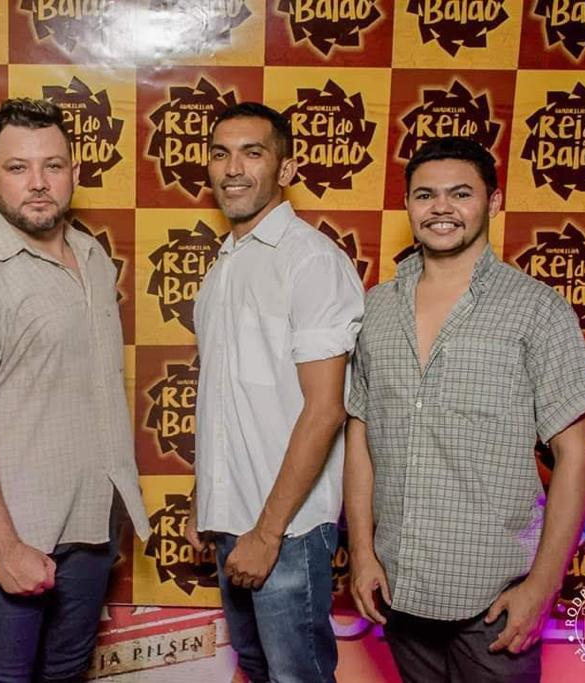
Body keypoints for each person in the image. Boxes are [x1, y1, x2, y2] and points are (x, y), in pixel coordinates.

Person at [344, 136, 585, 682]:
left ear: (493, 202)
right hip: (399, 589)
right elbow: (361, 439)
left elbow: (578, 456)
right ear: (408, 205)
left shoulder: (537, 310)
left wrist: (543, 586)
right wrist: (363, 554)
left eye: (460, 194)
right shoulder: (377, 308)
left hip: (494, 602)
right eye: (425, 195)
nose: (441, 207)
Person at [0, 98, 150, 683]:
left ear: (74, 172)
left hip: (89, 525)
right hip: (10, 532)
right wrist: (4, 547)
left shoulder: (93, 258)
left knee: (65, 675)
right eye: (18, 168)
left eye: (52, 165)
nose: (38, 183)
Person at [183, 102, 364, 683]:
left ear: (285, 169)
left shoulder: (310, 261)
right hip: (233, 518)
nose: (233, 168)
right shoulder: (224, 265)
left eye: (252, 153)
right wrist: (206, 499)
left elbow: (326, 409)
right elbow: (227, 396)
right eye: (221, 154)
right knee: (258, 668)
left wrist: (267, 534)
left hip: (287, 529)